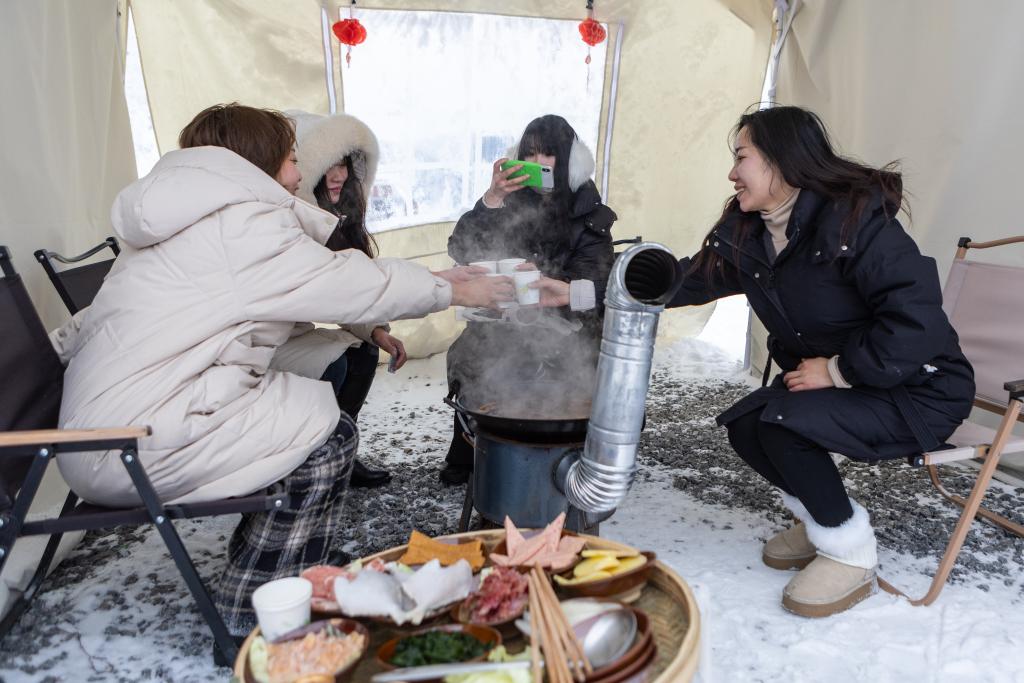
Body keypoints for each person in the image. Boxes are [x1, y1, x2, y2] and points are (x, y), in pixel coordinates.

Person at [54, 104, 511, 652]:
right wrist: (453, 290)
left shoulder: (191, 215)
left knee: (315, 398)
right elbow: (345, 283)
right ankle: (250, 600)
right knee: (328, 436)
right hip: (130, 440)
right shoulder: (239, 225)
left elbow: (317, 289)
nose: (300, 174)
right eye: (293, 159)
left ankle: (292, 559)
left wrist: (427, 288)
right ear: (259, 163)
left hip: (120, 418)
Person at [665, 106, 973, 618]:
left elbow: (917, 323)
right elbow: (683, 280)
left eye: (741, 157)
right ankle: (826, 518)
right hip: (859, 383)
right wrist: (578, 291)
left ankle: (851, 555)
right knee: (746, 425)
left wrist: (836, 371)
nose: (731, 173)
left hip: (919, 390)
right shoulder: (753, 235)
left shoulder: (857, 223)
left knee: (782, 423)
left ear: (783, 162)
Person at [441, 114, 616, 485]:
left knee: (540, 362)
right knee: (472, 355)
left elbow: (595, 282)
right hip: (506, 318)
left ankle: (551, 457)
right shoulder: (510, 201)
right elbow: (461, 249)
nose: (538, 164)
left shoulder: (589, 212)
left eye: (548, 154)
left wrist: (545, 284)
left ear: (568, 159)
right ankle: (471, 448)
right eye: (530, 154)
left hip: (568, 324)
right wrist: (493, 198)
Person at [267, 110, 397, 488]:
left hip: (295, 329)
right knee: (336, 364)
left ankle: (342, 451)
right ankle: (313, 461)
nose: (339, 174)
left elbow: (344, 293)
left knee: (364, 351)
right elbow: (329, 294)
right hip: (267, 338)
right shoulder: (286, 221)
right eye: (328, 165)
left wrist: (375, 332)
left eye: (345, 164)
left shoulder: (335, 216)